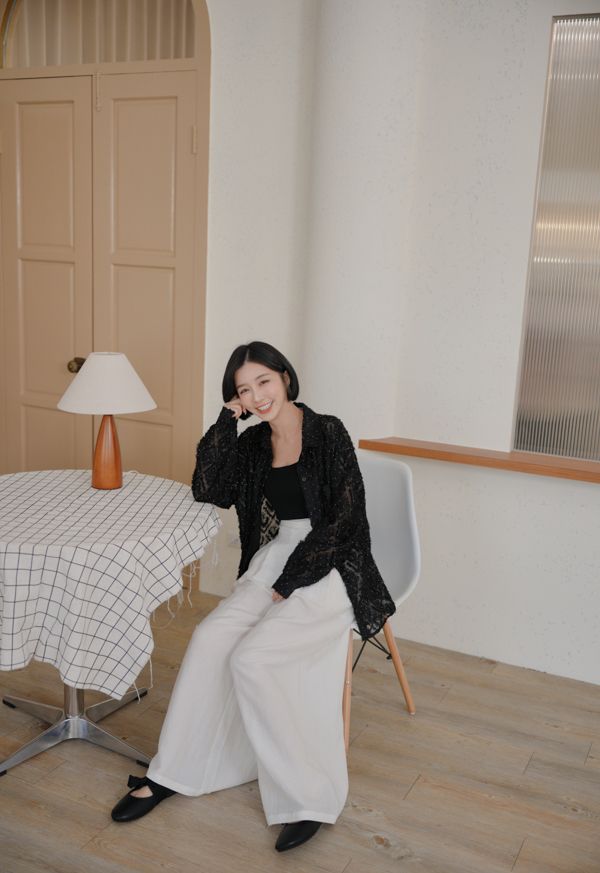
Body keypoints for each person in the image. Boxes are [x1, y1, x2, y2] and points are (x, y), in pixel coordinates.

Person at [110, 341, 396, 852]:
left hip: (332, 565)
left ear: (285, 377)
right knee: (209, 639)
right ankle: (174, 772)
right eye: (244, 390)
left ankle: (307, 796)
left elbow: (346, 521)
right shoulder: (254, 443)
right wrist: (227, 421)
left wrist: (291, 582)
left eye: (263, 381)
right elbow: (208, 488)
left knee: (254, 658)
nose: (257, 395)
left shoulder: (327, 431)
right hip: (276, 558)